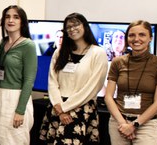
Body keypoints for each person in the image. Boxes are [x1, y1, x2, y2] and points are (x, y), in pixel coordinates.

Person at [38, 12, 107, 144]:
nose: (72, 29)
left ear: (85, 26)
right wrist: (59, 107)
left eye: (76, 24)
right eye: (68, 27)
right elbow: (52, 81)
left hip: (82, 108)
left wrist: (65, 108)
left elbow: (93, 87)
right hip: (57, 107)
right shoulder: (59, 52)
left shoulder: (98, 53)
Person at [104, 20, 157, 144]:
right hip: (119, 122)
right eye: (132, 35)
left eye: (142, 35)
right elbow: (108, 97)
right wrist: (123, 124)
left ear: (150, 38)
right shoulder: (117, 62)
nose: (136, 39)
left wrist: (134, 125)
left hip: (146, 124)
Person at [0, 5, 37, 145]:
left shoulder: (28, 45)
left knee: (14, 140)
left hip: (16, 98)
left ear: (22, 22)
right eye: (7, 16)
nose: (11, 20)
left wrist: (20, 110)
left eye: (16, 17)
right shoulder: (3, 42)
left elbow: (29, 80)